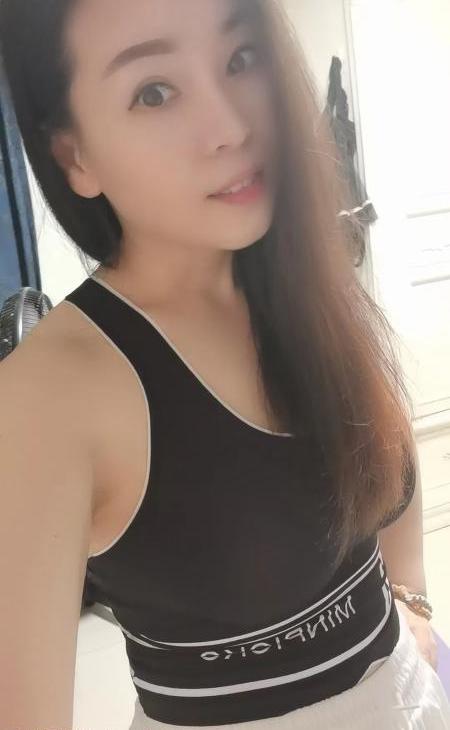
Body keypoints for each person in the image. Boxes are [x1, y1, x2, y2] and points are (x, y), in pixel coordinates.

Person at [0, 1, 449, 728]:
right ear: (74, 156)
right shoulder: (49, 393)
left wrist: (414, 603)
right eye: (154, 91)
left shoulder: (299, 280)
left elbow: (386, 459)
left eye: (241, 59)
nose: (232, 126)